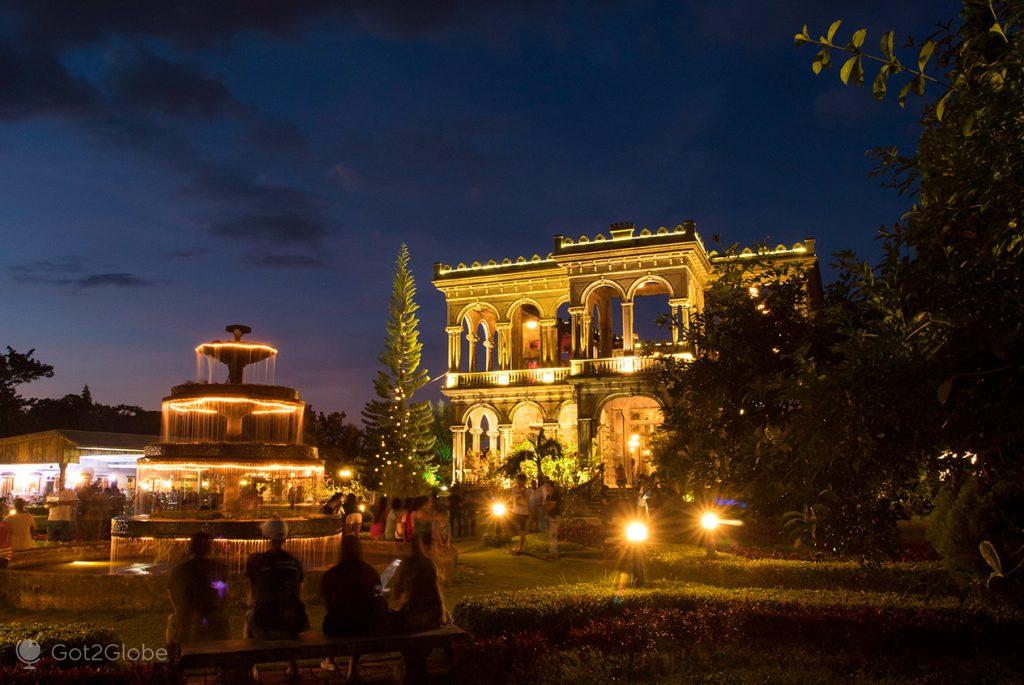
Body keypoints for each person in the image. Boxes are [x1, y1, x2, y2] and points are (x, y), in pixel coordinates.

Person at [320, 536, 387, 676]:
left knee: (332, 619)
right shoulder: (370, 572)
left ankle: (330, 660)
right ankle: (352, 669)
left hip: (338, 626)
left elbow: (328, 605)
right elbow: (379, 598)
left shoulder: (332, 574)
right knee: (360, 616)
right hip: (365, 626)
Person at [243, 518, 309, 639]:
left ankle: (249, 655)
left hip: (265, 624)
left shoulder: (255, 560)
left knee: (249, 616)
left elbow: (252, 594)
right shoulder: (295, 563)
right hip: (292, 623)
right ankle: (292, 657)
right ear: (285, 538)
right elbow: (299, 592)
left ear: (265, 537)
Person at [166, 533, 230, 650]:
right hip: (213, 627)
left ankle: (173, 660)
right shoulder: (219, 568)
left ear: (190, 549)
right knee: (223, 620)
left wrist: (180, 613)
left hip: (185, 627)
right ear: (210, 549)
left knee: (172, 619)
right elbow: (223, 598)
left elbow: (171, 594)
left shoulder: (177, 571)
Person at [389, 537, 446, 632]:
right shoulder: (429, 563)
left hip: (414, 615)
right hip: (433, 614)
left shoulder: (407, 564)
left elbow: (396, 590)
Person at [510, 474, 530, 555]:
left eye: (520, 480)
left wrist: (522, 493)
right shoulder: (514, 489)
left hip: (523, 513)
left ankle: (521, 548)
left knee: (522, 530)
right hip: (515, 511)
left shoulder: (528, 490)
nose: (518, 482)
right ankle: (517, 546)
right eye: (517, 480)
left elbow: (527, 502)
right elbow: (511, 499)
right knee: (515, 530)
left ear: (524, 481)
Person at [543, 482, 563, 560]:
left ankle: (554, 553)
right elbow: (546, 505)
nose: (546, 488)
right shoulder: (548, 495)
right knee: (551, 535)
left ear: (552, 487)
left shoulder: (555, 495)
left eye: (548, 486)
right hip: (550, 516)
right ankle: (552, 552)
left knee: (553, 535)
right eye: (546, 487)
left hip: (555, 517)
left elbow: (550, 506)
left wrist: (547, 506)